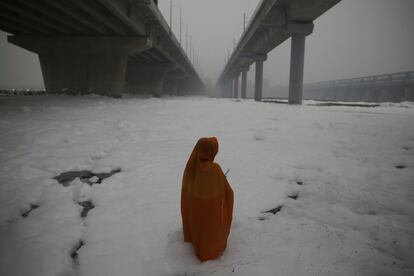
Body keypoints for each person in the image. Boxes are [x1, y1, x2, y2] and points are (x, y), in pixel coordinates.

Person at [181, 137, 234, 262]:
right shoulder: (215, 169)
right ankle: (208, 252)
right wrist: (221, 180)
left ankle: (195, 241)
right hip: (209, 210)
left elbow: (188, 189)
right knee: (208, 230)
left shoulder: (191, 166)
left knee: (199, 226)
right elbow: (228, 192)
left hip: (195, 210)